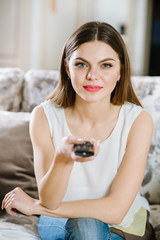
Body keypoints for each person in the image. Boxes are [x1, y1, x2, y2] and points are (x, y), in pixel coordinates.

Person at [2, 21, 155, 240]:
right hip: (58, 220)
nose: (93, 75)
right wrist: (63, 158)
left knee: (87, 228)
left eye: (106, 65)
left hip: (121, 225)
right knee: (85, 229)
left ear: (121, 70)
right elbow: (51, 200)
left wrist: (36, 207)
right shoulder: (44, 116)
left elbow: (115, 210)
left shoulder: (138, 120)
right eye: (82, 64)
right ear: (67, 67)